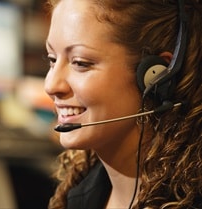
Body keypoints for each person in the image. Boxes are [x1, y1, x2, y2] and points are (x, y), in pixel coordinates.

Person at [44, 0, 202, 208]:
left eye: (80, 63)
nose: (51, 85)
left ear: (156, 77)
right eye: (52, 59)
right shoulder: (81, 192)